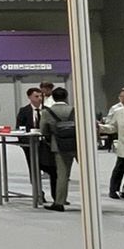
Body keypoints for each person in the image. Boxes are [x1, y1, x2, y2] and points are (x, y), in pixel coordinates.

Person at [39, 84, 76, 212]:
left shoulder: (47, 112)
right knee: (87, 172)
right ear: (66, 97)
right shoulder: (74, 110)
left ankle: (59, 202)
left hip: (59, 145)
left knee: (62, 175)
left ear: (53, 98)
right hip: (76, 144)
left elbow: (43, 130)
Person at [15, 86, 55, 203]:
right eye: (36, 96)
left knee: (52, 169)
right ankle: (38, 193)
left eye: (41, 96)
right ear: (30, 97)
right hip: (30, 145)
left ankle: (57, 196)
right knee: (34, 169)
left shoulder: (48, 110)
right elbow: (19, 128)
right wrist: (25, 142)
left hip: (46, 145)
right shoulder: (24, 111)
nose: (39, 98)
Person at [105, 88, 124, 199]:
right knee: (119, 169)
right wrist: (100, 128)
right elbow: (112, 127)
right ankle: (113, 190)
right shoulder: (117, 111)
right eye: (123, 97)